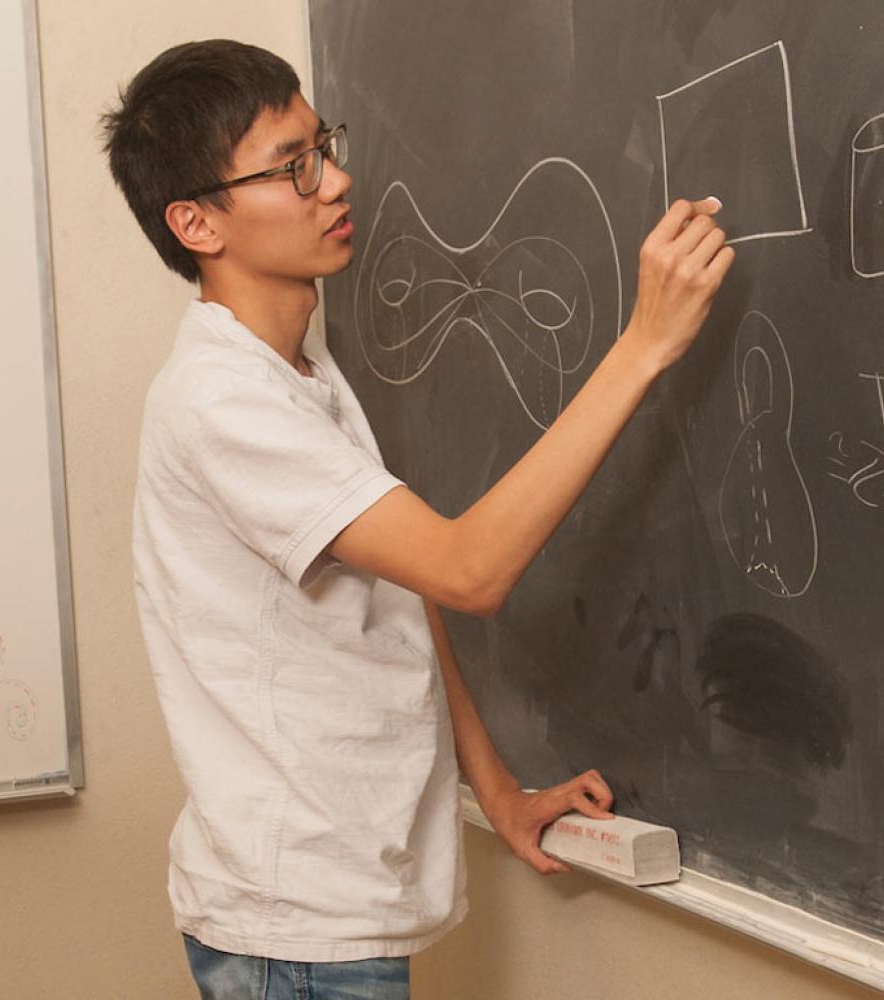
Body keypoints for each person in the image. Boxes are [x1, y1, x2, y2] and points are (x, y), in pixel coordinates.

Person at [101, 38, 733, 1000]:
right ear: (196, 222)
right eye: (294, 166)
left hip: (340, 909)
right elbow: (465, 570)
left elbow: (406, 589)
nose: (337, 180)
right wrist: (642, 347)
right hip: (297, 932)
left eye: (327, 146)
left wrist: (499, 793)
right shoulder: (223, 402)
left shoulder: (302, 373)